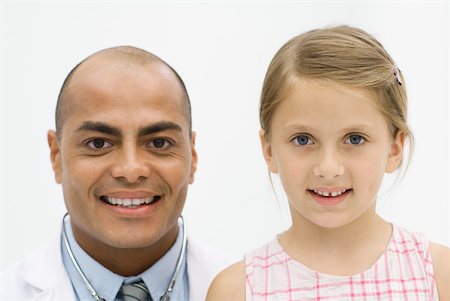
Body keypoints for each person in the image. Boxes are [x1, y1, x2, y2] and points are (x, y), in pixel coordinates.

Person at [207, 26, 450, 300]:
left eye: (355, 139)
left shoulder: (440, 275)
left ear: (395, 149)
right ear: (269, 150)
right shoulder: (236, 290)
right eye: (303, 140)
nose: (328, 168)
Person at [0, 46, 232, 301]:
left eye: (159, 143)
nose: (131, 171)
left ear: (193, 157)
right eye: (98, 144)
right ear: (56, 157)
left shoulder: (252, 290)